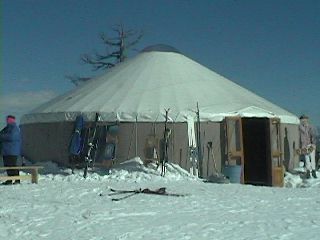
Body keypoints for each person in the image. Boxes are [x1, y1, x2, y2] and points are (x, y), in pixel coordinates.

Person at [0, 115, 22, 184]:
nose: (7, 121)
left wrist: (2, 137)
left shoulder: (14, 128)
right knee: (7, 166)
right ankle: (9, 179)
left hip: (12, 151)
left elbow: (11, 137)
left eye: (9, 120)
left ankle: (17, 180)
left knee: (12, 165)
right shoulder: (6, 128)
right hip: (6, 151)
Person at [299, 114, 318, 179]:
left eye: (304, 120)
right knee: (306, 159)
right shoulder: (300, 128)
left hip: (310, 144)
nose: (303, 121)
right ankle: (308, 172)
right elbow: (300, 138)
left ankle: (313, 171)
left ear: (307, 120)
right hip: (304, 145)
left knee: (312, 159)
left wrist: (313, 144)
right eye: (302, 120)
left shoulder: (310, 127)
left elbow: (313, 135)